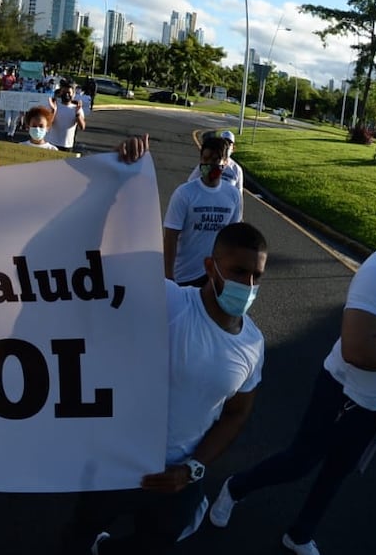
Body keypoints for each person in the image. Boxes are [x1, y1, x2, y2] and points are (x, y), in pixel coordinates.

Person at [209, 180, 376, 555]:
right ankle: (235, 488)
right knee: (299, 462)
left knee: (338, 471)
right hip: (343, 392)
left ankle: (300, 534)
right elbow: (356, 348)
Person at [88, 222, 268, 554]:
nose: (249, 285)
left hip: (177, 479)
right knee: (80, 530)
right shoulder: (169, 300)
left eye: (257, 276)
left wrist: (192, 469)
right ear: (210, 267)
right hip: (117, 460)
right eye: (239, 272)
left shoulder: (253, 344)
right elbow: (97, 267)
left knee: (153, 545)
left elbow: (236, 413)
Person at [163, 136, 243, 286]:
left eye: (215, 160)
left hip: (214, 276)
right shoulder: (184, 194)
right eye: (205, 159)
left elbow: (232, 237)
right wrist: (168, 277)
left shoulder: (233, 195)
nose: (209, 164)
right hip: (184, 276)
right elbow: (170, 237)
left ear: (225, 162)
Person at [187, 130, 245, 196]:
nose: (227, 146)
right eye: (224, 142)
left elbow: (239, 194)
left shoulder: (236, 169)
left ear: (233, 148)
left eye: (229, 144)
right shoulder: (208, 164)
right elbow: (191, 182)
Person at [46, 83, 86, 152]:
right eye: (64, 92)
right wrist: (53, 111)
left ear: (73, 94)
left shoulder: (77, 108)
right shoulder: (54, 106)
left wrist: (77, 114)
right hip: (52, 143)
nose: (66, 94)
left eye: (69, 92)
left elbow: (82, 127)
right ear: (60, 93)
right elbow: (47, 125)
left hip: (67, 145)